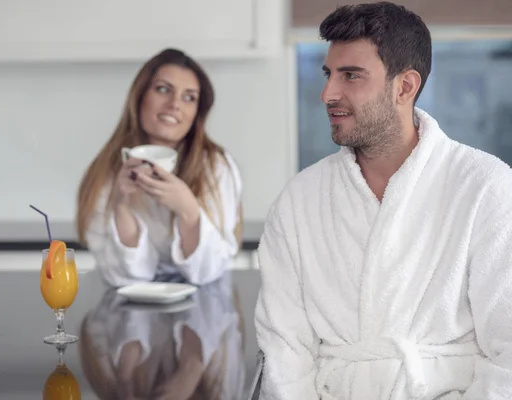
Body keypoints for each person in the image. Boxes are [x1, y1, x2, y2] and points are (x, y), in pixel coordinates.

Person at [254, 2, 512, 399]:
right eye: (328, 74)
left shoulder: (485, 188)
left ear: (404, 86)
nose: (327, 93)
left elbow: (508, 352)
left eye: (351, 76)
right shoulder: (298, 201)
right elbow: (284, 350)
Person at [76, 48, 243, 287]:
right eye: (163, 89)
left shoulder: (215, 165)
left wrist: (188, 210)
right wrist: (120, 206)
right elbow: (121, 277)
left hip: (204, 312)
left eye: (189, 97)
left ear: (197, 113)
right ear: (140, 96)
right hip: (129, 315)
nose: (174, 104)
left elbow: (209, 271)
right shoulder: (109, 170)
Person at [78, 274, 246, 399]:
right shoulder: (221, 389)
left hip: (126, 279)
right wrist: (192, 366)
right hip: (208, 276)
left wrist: (125, 372)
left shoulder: (111, 381)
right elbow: (220, 306)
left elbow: (100, 320)